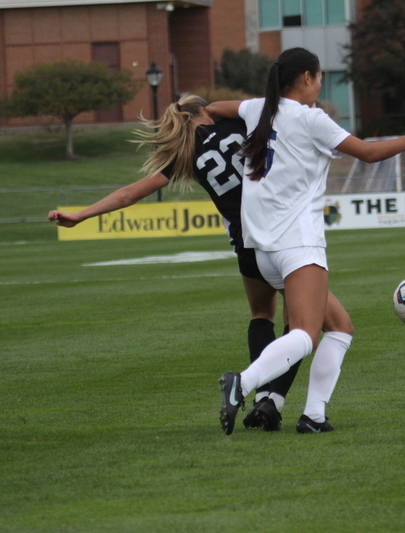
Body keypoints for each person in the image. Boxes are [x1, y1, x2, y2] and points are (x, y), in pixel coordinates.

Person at [47, 94, 315, 431]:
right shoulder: (240, 122)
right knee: (302, 322)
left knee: (262, 315)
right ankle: (275, 401)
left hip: (247, 243)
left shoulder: (187, 153)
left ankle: (263, 397)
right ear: (207, 111)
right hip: (282, 229)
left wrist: (81, 214)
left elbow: (131, 193)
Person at [208, 47, 405, 435]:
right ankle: (243, 384)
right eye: (319, 78)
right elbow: (367, 153)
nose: (319, 85)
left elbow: (214, 108)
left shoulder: (256, 110)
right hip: (297, 244)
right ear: (305, 79)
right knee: (304, 333)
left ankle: (313, 416)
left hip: (263, 250)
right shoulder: (310, 118)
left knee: (340, 327)